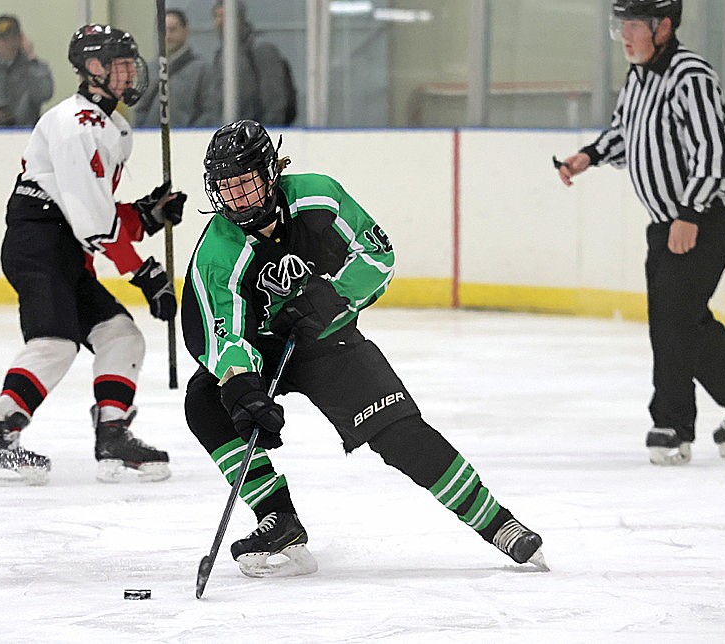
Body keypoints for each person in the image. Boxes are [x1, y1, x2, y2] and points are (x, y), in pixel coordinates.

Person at [181, 119, 546, 578]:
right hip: (261, 348)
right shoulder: (219, 249)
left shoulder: (318, 196)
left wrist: (329, 299)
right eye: (226, 189)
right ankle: (279, 517)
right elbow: (224, 332)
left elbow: (378, 257)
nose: (236, 200)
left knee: (399, 432)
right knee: (206, 402)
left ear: (271, 172)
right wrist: (244, 388)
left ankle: (499, 523)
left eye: (246, 184)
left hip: (327, 337)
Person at [556, 0, 725, 466]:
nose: (624, 35)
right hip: (670, 220)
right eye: (619, 25)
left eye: (633, 26)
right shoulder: (640, 77)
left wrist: (690, 214)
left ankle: (671, 425)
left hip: (706, 217)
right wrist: (588, 156)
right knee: (683, 317)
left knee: (672, 320)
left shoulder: (691, 76)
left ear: (663, 27)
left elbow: (715, 153)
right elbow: (626, 134)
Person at [0, 24, 187, 487]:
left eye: (131, 61)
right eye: (119, 63)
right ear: (93, 69)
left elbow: (94, 213)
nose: (132, 70)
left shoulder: (110, 124)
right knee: (55, 342)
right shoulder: (73, 125)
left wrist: (148, 214)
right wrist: (146, 273)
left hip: (65, 246)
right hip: (39, 244)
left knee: (121, 336)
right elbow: (90, 222)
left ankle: (112, 436)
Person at [211, 0, 296, 126]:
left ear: (239, 18)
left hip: (255, 131)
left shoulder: (260, 48)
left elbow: (273, 98)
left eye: (224, 16)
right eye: (216, 17)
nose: (219, 22)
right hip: (234, 132)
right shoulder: (222, 54)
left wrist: (266, 132)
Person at [134, 9, 218, 128]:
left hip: (190, 139)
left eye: (172, 30)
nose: (167, 36)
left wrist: (192, 135)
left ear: (186, 31)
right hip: (151, 139)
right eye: (163, 31)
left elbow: (209, 110)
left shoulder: (202, 69)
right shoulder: (150, 69)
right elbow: (140, 109)